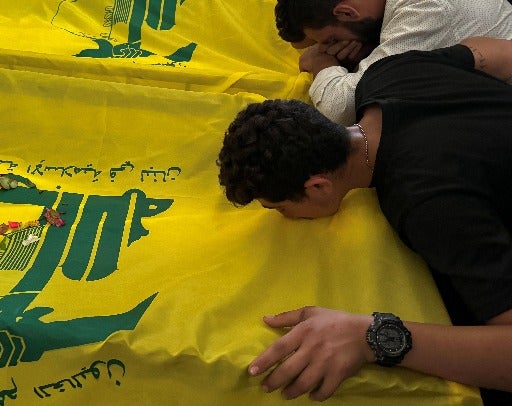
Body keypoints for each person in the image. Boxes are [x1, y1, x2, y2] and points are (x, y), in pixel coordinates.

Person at [217, 37, 512, 405]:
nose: (285, 217)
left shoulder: (426, 204)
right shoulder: (387, 74)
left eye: (278, 208)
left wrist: (371, 336)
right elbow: (494, 54)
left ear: (318, 186)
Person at [273, 0, 512, 125]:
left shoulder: (425, 11)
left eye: (332, 40)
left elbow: (342, 109)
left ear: (346, 13)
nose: (330, 47)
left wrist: (322, 62)